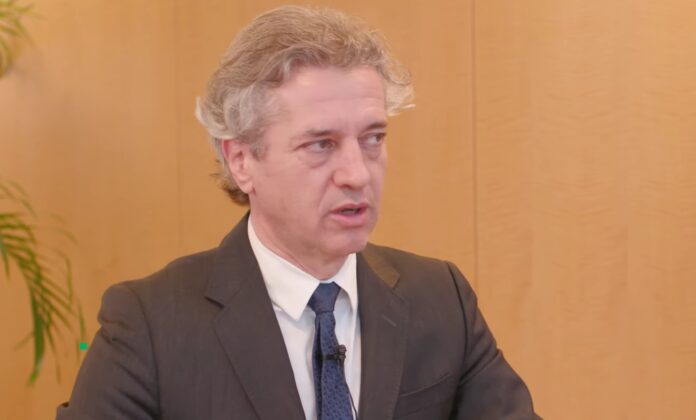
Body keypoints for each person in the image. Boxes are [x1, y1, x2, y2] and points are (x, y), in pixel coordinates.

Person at [57, 5, 539, 420]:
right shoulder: (150, 326)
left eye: (372, 138)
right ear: (241, 160)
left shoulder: (441, 300)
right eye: (320, 144)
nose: (357, 173)